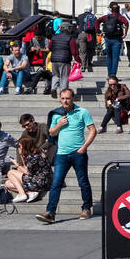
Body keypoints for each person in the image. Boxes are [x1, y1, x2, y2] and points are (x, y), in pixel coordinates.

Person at [36, 88, 96, 224]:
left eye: (68, 98)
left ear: (73, 98)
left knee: (83, 182)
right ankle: (50, 213)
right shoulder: (57, 114)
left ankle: (86, 208)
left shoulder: (82, 112)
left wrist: (84, 147)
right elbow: (51, 133)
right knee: (56, 183)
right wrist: (59, 125)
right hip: (61, 154)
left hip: (78, 153)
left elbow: (93, 130)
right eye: (62, 98)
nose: (65, 101)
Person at [6, 134, 53, 204]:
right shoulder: (35, 153)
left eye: (19, 146)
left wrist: (17, 164)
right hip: (40, 180)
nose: (18, 148)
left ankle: (22, 194)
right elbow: (27, 169)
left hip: (41, 182)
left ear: (25, 146)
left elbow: (27, 173)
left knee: (10, 172)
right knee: (8, 183)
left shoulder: (33, 157)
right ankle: (30, 192)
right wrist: (21, 156)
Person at [97, 2, 128, 78]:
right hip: (117, 39)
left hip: (107, 38)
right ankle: (113, 75)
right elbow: (126, 23)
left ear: (110, 9)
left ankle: (109, 74)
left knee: (109, 57)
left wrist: (99, 31)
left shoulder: (106, 17)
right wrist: (125, 33)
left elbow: (97, 21)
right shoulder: (120, 17)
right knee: (115, 58)